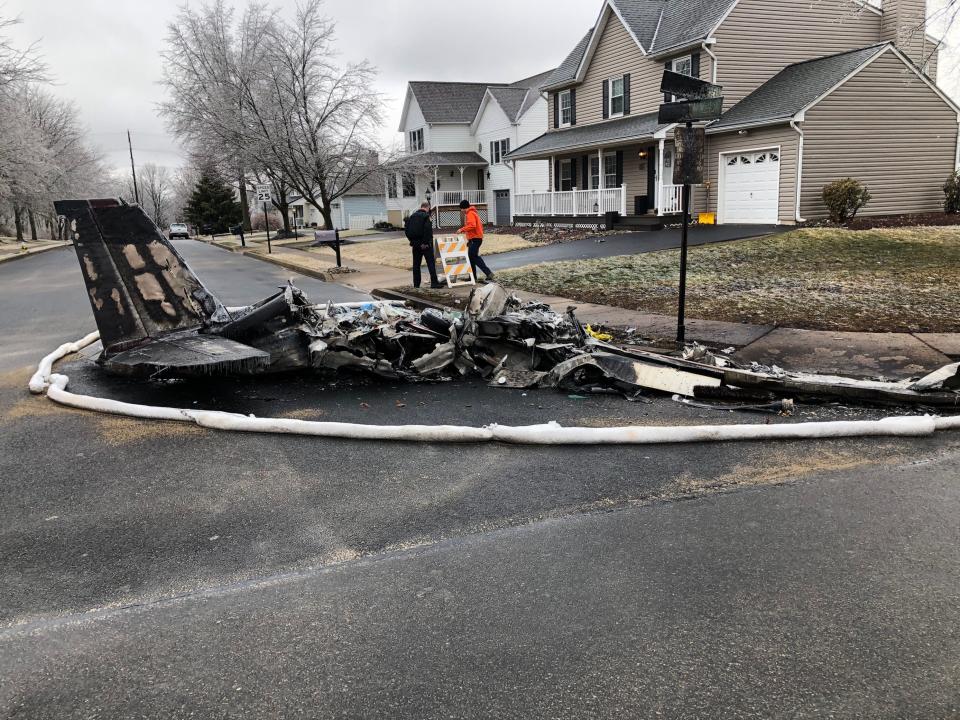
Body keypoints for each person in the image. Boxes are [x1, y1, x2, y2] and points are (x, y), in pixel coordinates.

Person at [404, 202, 442, 289]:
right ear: (427, 207)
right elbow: (427, 230)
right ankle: (434, 283)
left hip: (415, 245)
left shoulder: (412, 217)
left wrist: (412, 242)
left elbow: (407, 231)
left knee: (416, 265)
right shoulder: (426, 217)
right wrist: (424, 243)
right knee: (430, 263)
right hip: (425, 245)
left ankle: (416, 284)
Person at [458, 199, 494, 282]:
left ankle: (488, 273)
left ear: (464, 208)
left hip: (476, 238)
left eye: (461, 208)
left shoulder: (470, 213)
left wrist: (462, 229)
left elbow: (472, 225)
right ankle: (472, 277)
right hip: (474, 238)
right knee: (471, 257)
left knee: (474, 256)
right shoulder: (472, 213)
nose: (461, 210)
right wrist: (469, 239)